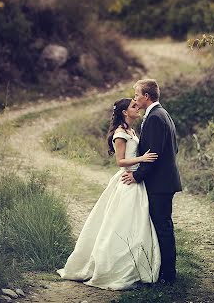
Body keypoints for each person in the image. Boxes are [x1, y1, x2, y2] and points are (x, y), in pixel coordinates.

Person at [57, 98, 161, 290]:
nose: (137, 107)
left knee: (136, 222)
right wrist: (143, 158)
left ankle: (138, 264)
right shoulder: (120, 134)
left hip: (136, 179)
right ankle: (112, 266)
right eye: (133, 106)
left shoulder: (130, 130)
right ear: (124, 112)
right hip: (127, 179)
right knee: (121, 222)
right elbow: (120, 161)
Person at [122, 78, 182, 284]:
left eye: (137, 94)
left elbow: (154, 153)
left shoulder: (156, 117)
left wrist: (137, 175)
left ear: (146, 96)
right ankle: (163, 270)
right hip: (163, 181)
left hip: (160, 183)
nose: (135, 98)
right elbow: (173, 149)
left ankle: (168, 275)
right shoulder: (161, 113)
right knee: (162, 225)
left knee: (162, 226)